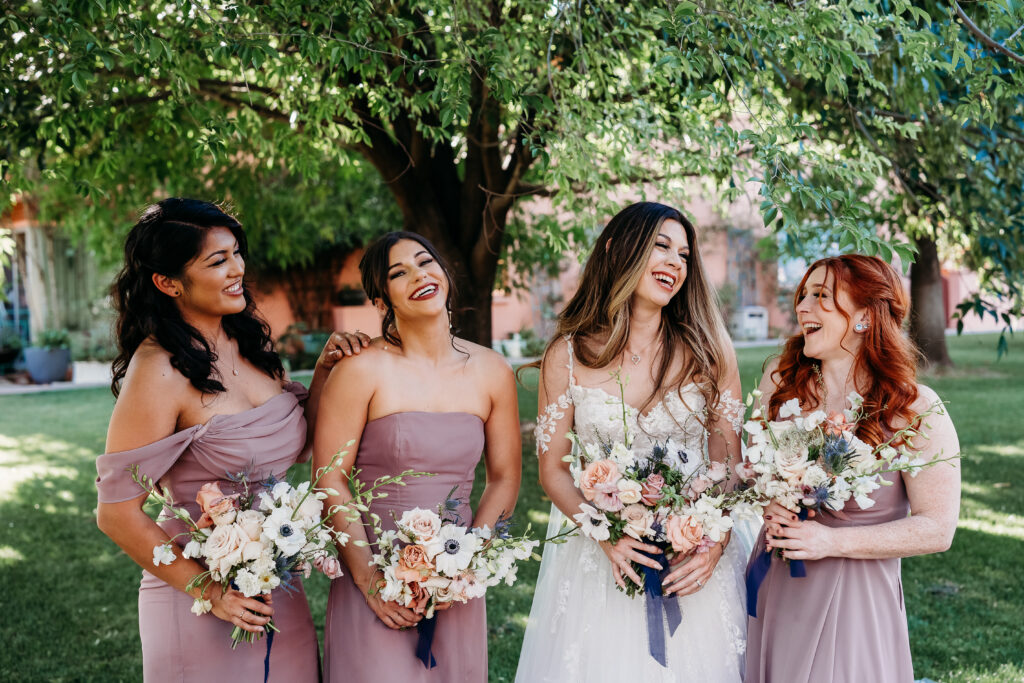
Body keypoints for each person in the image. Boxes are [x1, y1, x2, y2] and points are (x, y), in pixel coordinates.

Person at [95, 198, 365, 681]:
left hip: (278, 586)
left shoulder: (249, 343)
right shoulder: (158, 369)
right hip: (198, 600)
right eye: (217, 261)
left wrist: (324, 371)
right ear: (168, 282)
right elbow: (115, 513)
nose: (237, 268)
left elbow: (296, 443)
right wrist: (210, 592)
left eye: (236, 252)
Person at [515, 202, 748, 682]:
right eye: (661, 246)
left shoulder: (709, 349)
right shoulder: (569, 354)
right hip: (603, 560)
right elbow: (553, 469)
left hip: (693, 558)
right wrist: (606, 536)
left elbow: (730, 464)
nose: (675, 263)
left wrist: (715, 542)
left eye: (684, 255)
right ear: (617, 249)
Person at [314, 231, 522, 683]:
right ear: (381, 299)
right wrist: (371, 582)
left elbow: (504, 478)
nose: (418, 275)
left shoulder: (492, 371)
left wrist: (466, 565)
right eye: (398, 273)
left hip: (455, 584)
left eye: (426, 262)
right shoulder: (361, 369)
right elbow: (329, 477)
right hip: (374, 573)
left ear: (444, 273)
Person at [745, 254, 961, 683]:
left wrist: (830, 541)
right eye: (802, 296)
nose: (802, 308)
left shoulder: (915, 409)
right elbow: (750, 471)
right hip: (780, 583)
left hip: (857, 597)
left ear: (864, 316)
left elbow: (938, 529)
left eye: (820, 297)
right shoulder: (778, 385)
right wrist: (770, 501)